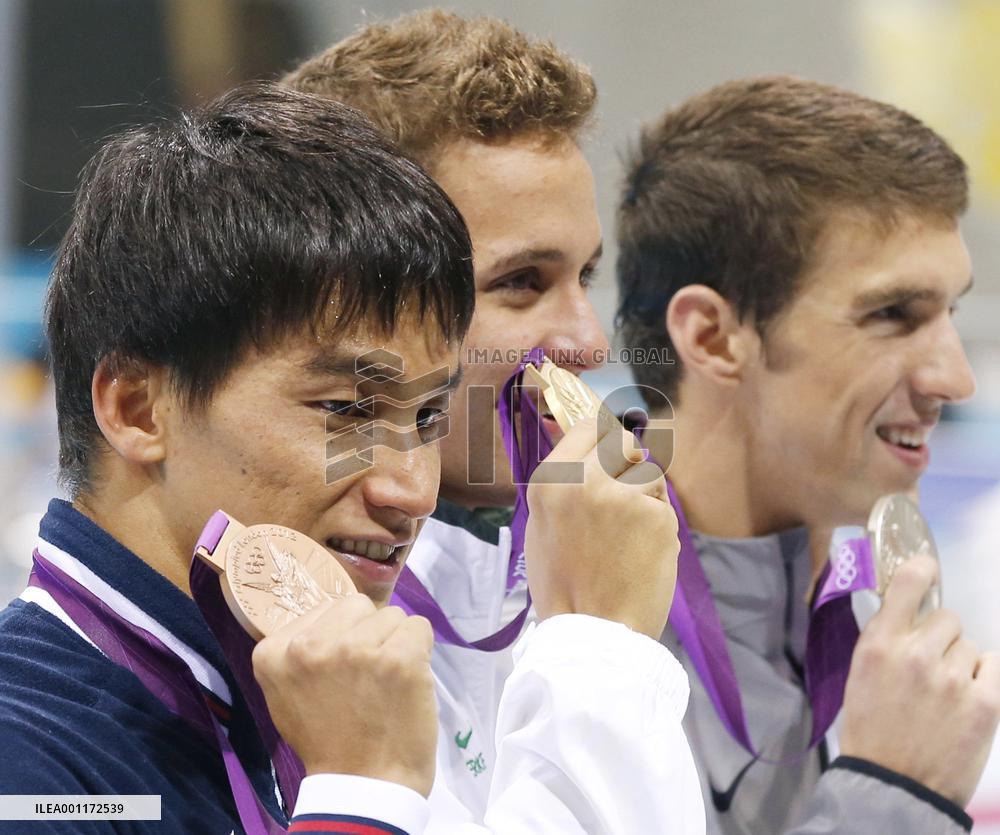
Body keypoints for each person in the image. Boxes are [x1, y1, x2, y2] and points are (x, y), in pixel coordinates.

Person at [0, 82, 703, 833]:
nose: (413, 491)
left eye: (427, 417)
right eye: (346, 409)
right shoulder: (28, 763)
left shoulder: (298, 703)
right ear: (138, 408)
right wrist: (361, 797)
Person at [615, 74, 1000, 834]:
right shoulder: (558, 640)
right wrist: (894, 797)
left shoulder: (877, 600)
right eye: (893, 314)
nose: (955, 379)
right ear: (713, 338)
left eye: (949, 311)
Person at [282, 11, 619, 818]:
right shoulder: (281, 644)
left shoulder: (531, 575)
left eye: (584, 277)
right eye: (521, 282)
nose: (590, 342)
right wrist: (605, 639)